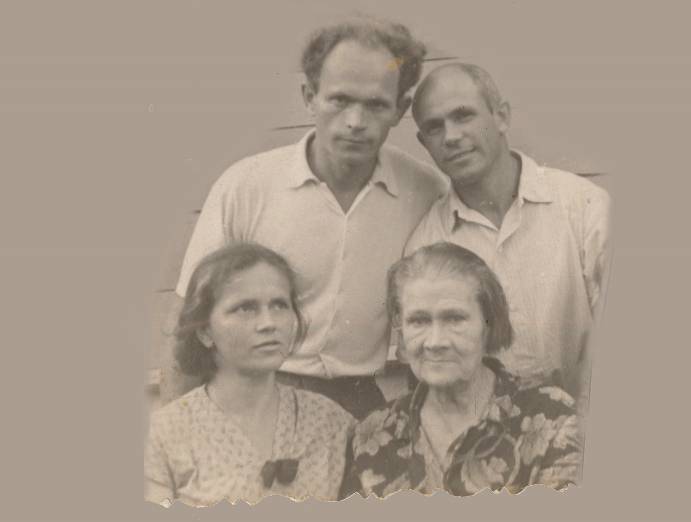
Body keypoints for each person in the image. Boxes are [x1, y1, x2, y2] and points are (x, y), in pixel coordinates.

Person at [159, 18, 446, 419]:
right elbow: (186, 324)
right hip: (251, 398)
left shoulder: (424, 190)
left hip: (358, 405)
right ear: (309, 97)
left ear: (399, 109)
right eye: (339, 100)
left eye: (376, 105)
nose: (355, 121)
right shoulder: (246, 185)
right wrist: (175, 433)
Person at [406, 63, 612, 409]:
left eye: (463, 116)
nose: (451, 137)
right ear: (423, 142)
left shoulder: (583, 207)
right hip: (488, 432)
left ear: (501, 116)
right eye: (434, 127)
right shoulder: (426, 246)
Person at [347, 242, 582, 497]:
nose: (435, 342)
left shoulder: (553, 420)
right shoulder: (372, 434)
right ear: (401, 332)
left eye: (454, 319)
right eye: (418, 321)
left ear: (489, 325)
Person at [145, 243, 356, 505]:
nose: (269, 323)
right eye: (245, 308)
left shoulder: (332, 424)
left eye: (279, 305)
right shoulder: (163, 435)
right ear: (204, 331)